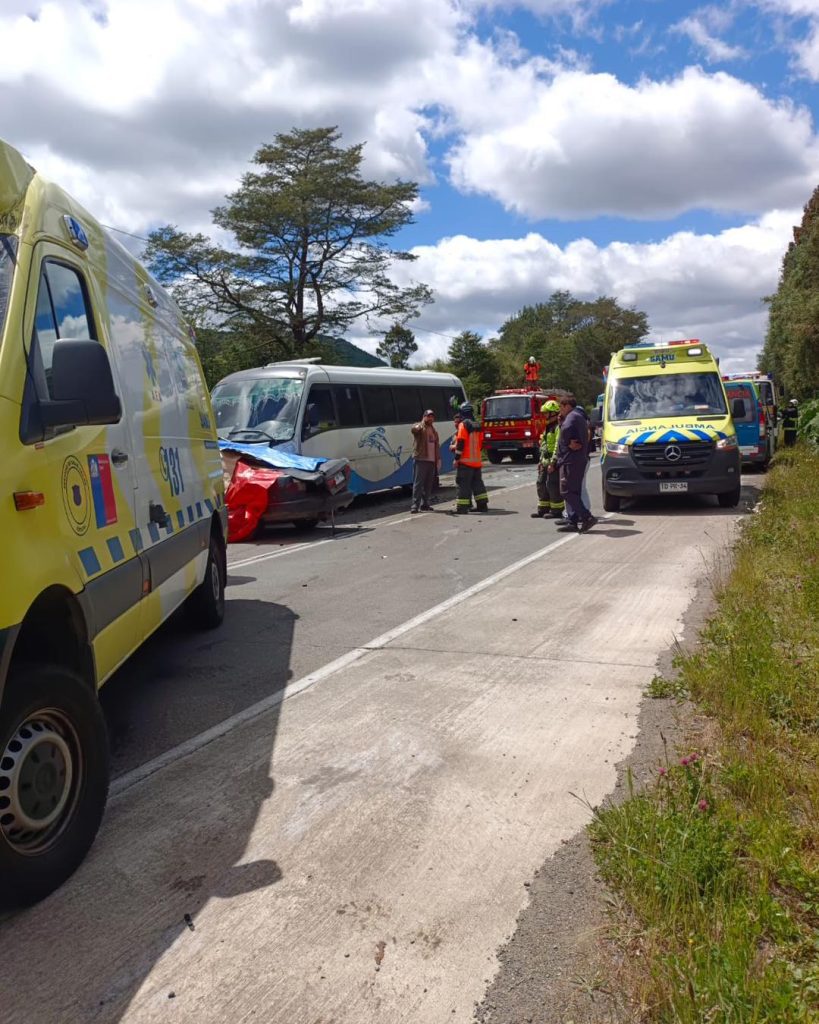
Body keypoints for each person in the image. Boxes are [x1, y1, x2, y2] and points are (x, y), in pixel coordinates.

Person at [556, 395, 596, 532]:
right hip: (576, 460)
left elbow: (567, 437)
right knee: (574, 491)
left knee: (566, 491)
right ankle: (573, 521)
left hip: (570, 461)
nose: (559, 410)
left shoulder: (572, 418)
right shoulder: (577, 417)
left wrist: (567, 443)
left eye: (561, 407)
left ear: (567, 405)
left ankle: (586, 517)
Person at [453, 402, 488, 514]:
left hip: (465, 462)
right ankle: (482, 506)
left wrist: (457, 458)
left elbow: (461, 442)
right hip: (477, 462)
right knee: (478, 484)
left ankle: (462, 508)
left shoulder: (463, 424)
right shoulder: (477, 425)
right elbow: (482, 444)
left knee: (463, 485)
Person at [531, 400, 564, 518]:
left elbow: (557, 445)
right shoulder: (547, 428)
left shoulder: (557, 428)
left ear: (553, 413)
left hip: (553, 462)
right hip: (545, 461)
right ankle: (543, 508)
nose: (544, 416)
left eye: (546, 413)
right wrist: (540, 461)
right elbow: (544, 445)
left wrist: (553, 462)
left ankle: (556, 510)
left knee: (552, 484)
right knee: (541, 483)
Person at [410, 409, 440, 512]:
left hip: (431, 460)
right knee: (418, 483)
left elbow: (436, 446)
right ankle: (415, 505)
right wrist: (420, 424)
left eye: (432, 416)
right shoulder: (420, 427)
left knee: (428, 484)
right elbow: (414, 429)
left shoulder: (434, 430)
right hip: (421, 459)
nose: (430, 418)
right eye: (428, 416)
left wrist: (438, 459)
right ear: (424, 417)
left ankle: (425, 504)